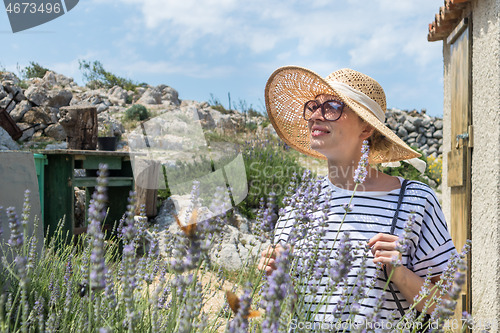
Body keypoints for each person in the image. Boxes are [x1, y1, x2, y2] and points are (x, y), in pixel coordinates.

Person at [257, 66, 456, 327]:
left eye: (332, 106)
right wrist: (276, 279)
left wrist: (399, 273)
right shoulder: (299, 204)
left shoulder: (414, 201)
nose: (316, 115)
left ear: (366, 128)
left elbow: (445, 304)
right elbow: (295, 309)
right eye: (313, 106)